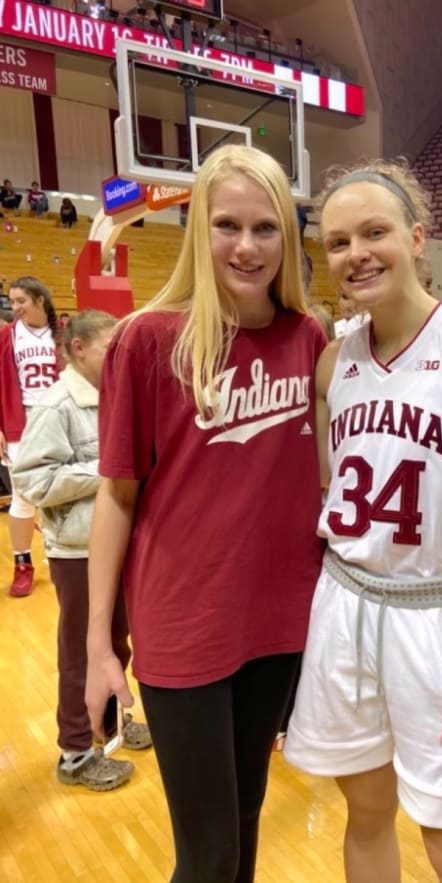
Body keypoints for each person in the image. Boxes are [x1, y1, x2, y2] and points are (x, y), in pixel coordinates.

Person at [284, 160, 442, 882]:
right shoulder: (333, 365)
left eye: (375, 232)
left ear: (417, 236)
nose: (356, 253)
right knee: (365, 816)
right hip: (346, 606)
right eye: (338, 242)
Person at [85, 145, 326, 883]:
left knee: (247, 819)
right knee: (208, 851)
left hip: (280, 623)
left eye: (265, 227)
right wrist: (101, 643)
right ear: (198, 231)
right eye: (228, 224)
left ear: (287, 238)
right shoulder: (148, 340)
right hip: (185, 623)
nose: (247, 246)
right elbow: (116, 495)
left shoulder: (308, 338)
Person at [12, 310, 152, 790]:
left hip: (118, 544)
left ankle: (109, 724)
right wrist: (108, 470)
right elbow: (30, 480)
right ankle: (75, 750)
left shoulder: (115, 395)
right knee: (80, 651)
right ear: (78, 349)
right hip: (75, 550)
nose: (120, 356)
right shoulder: (57, 406)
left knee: (116, 643)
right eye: (110, 347)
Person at [0, 276, 60, 596]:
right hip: (21, 424)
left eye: (21, 300)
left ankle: (62, 555)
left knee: (63, 492)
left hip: (62, 423)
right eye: (12, 302)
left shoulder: (63, 332)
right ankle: (22, 563)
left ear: (40, 299)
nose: (15, 308)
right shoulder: (7, 336)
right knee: (22, 499)